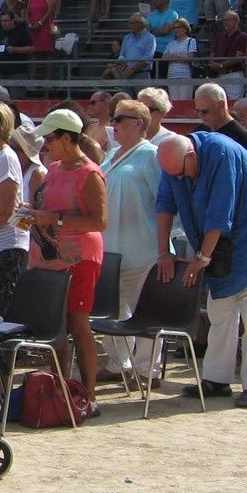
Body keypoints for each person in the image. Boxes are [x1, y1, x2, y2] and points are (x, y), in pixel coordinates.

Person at [156, 132, 247, 407]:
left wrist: (202, 257)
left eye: (180, 173)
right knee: (220, 312)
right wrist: (163, 252)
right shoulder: (173, 162)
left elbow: (220, 213)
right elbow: (165, 204)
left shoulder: (222, 152)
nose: (178, 179)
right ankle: (216, 378)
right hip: (215, 246)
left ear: (191, 157)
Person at [24, 110, 107, 400]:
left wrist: (53, 219)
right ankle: (61, 389)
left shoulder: (90, 173)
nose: (46, 144)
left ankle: (89, 395)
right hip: (52, 255)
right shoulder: (56, 168)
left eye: (50, 138)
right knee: (57, 323)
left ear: (68, 138)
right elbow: (48, 211)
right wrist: (31, 215)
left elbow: (99, 222)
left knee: (78, 323)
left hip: (80, 257)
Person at [96, 99, 165, 382]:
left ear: (138, 124)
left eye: (120, 119)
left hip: (144, 246)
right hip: (111, 247)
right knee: (114, 308)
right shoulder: (110, 156)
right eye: (113, 118)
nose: (114, 124)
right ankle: (118, 363)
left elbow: (164, 202)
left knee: (145, 309)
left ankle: (148, 368)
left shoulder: (152, 155)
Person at [102, 13, 156, 81]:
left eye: (131, 23)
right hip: (126, 73)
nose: (129, 25)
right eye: (129, 23)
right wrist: (125, 66)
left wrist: (132, 69)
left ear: (140, 24)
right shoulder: (127, 38)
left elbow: (147, 59)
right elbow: (122, 55)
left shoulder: (150, 38)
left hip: (141, 74)